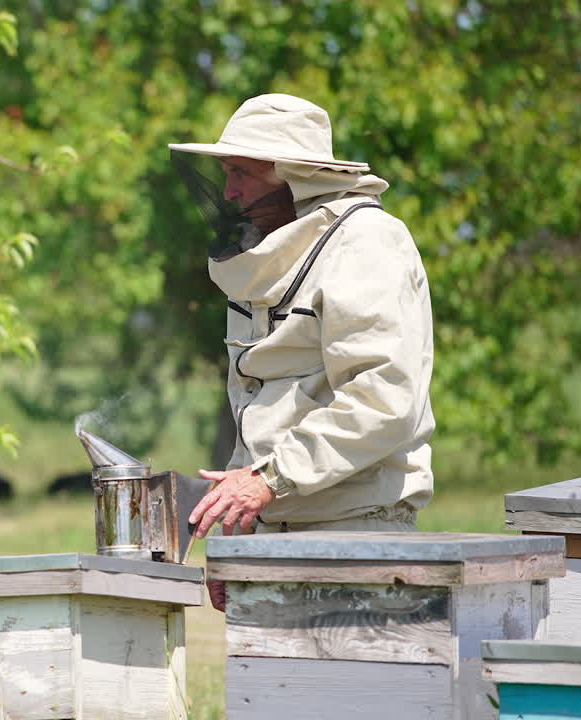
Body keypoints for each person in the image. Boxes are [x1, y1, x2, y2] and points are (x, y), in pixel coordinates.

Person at [168, 94, 436, 610]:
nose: (228, 191)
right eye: (225, 172)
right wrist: (235, 537)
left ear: (295, 176)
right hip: (274, 524)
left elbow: (383, 400)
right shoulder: (265, 253)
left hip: (356, 533)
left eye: (241, 172)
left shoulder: (367, 244)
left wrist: (268, 481)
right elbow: (259, 399)